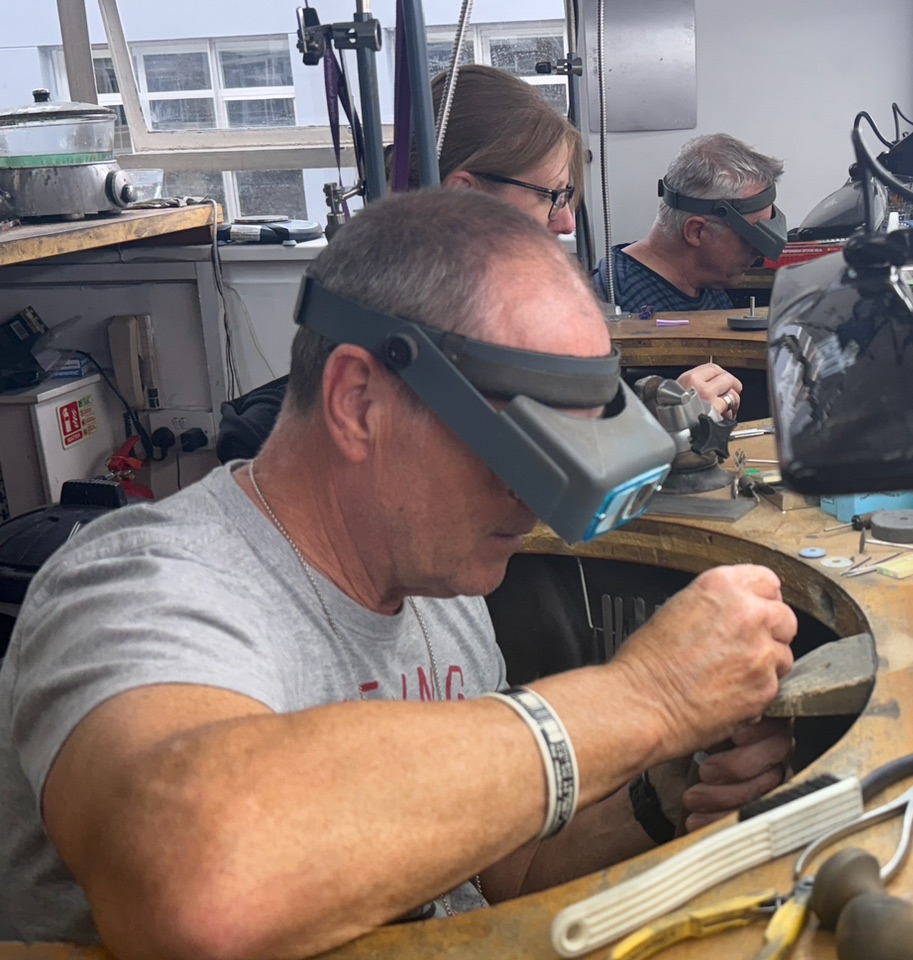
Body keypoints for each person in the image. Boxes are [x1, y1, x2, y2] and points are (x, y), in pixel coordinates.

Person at [0, 190, 798, 959]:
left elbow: (506, 873)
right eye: (526, 450)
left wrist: (661, 791)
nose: (543, 498)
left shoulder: (437, 583)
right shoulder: (139, 587)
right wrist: (645, 700)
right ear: (359, 402)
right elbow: (201, 885)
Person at [392, 64, 744, 419]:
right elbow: (525, 460)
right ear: (464, 199)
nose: (566, 221)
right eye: (552, 196)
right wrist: (666, 421)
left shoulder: (472, 310)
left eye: (567, 195)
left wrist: (659, 408)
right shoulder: (437, 337)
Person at [592, 133, 786, 318]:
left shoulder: (706, 279)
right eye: (752, 239)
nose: (760, 254)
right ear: (696, 231)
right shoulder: (615, 300)